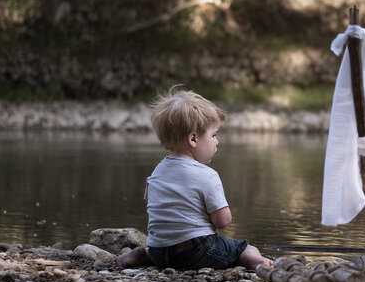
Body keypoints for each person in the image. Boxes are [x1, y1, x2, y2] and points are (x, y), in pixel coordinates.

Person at [114, 87, 273, 271]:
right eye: (213, 135)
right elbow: (222, 221)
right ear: (193, 139)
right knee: (243, 248)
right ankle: (254, 261)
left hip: (159, 251)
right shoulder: (207, 175)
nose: (217, 141)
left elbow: (158, 209)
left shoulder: (158, 171)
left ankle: (144, 254)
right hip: (196, 251)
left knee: (164, 249)